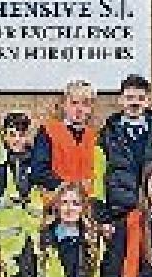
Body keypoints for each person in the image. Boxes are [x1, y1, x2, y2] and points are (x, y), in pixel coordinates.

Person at [100, 75, 152, 223]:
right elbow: (99, 176)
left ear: (148, 101)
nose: (134, 102)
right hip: (119, 213)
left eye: (140, 98)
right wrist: (103, 216)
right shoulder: (106, 135)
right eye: (130, 97)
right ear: (121, 100)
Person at [31, 80, 106, 216]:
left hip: (87, 210)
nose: (79, 109)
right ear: (64, 105)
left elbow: (100, 177)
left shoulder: (96, 137)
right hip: (54, 207)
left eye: (85, 104)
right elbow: (39, 171)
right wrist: (69, 189)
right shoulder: (48, 131)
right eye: (74, 103)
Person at [0, 111, 45, 261]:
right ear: (4, 135)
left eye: (21, 135)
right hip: (5, 238)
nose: (17, 140)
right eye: (12, 135)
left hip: (33, 236)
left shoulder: (37, 161)